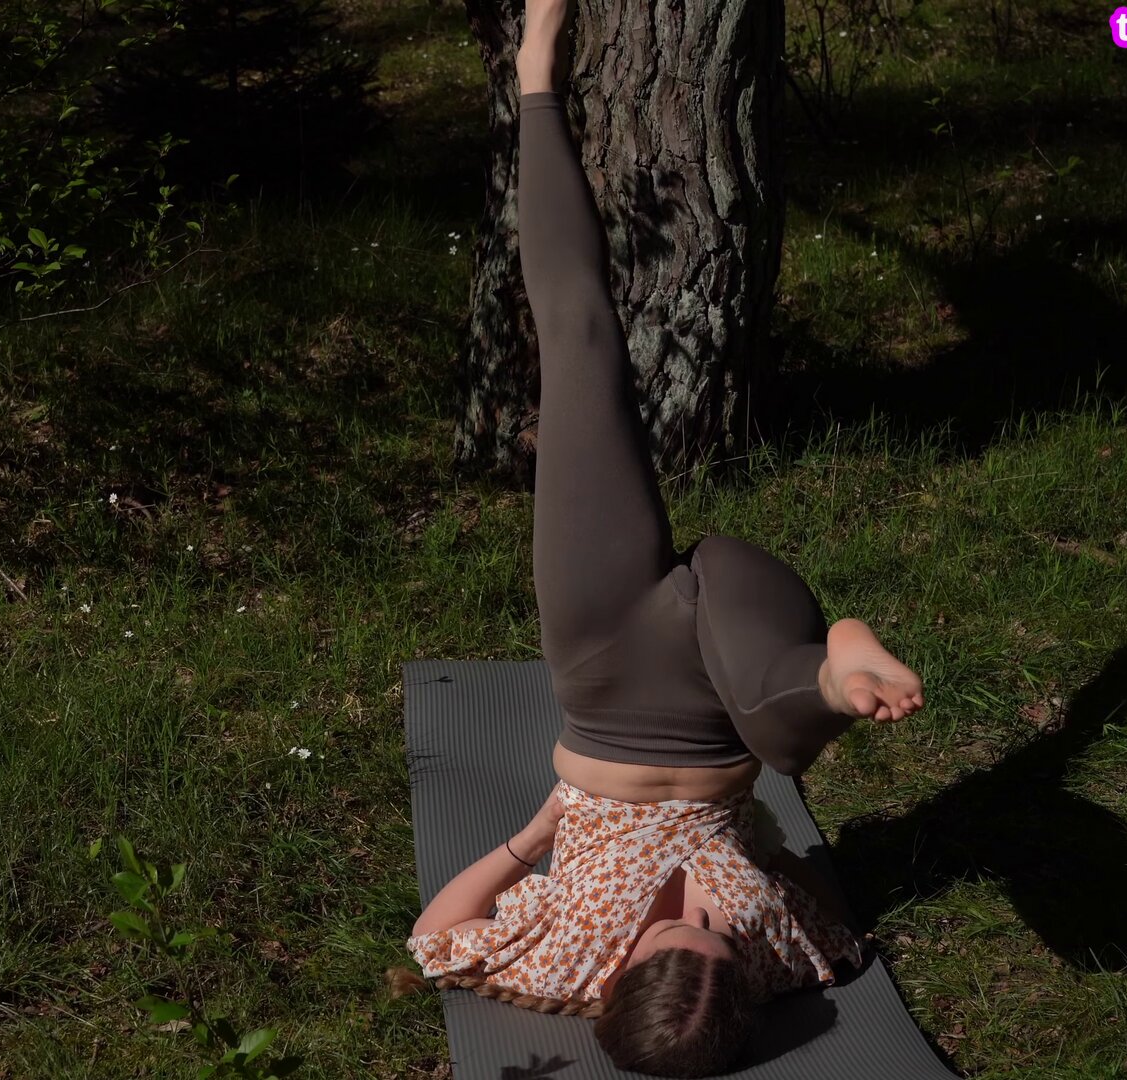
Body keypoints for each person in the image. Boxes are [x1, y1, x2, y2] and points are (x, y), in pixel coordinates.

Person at [393, 1, 924, 1074]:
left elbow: (435, 939)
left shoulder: (568, 966)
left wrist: (535, 839)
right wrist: (764, 855)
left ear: (617, 977)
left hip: (600, 669)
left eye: (664, 941)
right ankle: (836, 667)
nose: (699, 925)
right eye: (717, 940)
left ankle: (538, 77)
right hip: (731, 685)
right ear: (742, 982)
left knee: (579, 340)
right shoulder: (770, 956)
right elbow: (833, 932)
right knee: (777, 728)